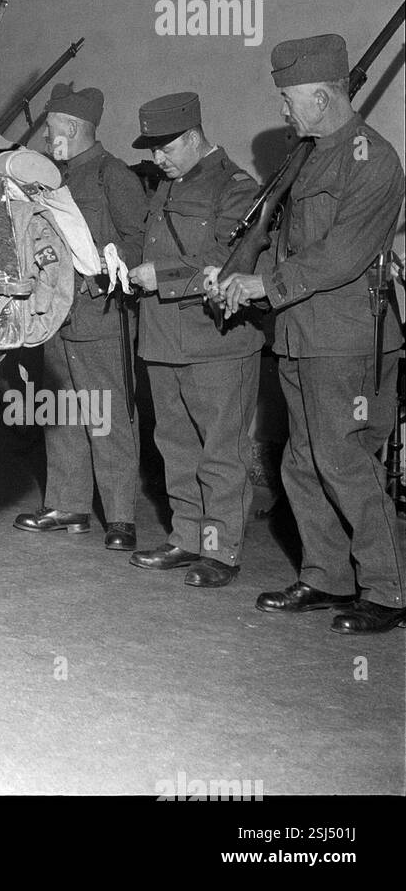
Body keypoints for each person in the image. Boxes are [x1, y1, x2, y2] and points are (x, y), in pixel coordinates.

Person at [211, 33, 405, 634]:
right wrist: (245, 276)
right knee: (300, 462)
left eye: (290, 98)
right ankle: (325, 576)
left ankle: (387, 590)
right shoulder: (310, 153)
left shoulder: (372, 159)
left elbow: (339, 255)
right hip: (299, 333)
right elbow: (287, 240)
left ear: (323, 96)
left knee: (344, 459)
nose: (283, 110)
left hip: (346, 336)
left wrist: (263, 287)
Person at [127, 92, 263, 587]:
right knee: (176, 446)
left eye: (164, 148)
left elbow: (231, 262)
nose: (156, 159)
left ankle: (218, 549)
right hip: (163, 339)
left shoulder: (236, 186)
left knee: (220, 452)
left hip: (216, 343)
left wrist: (158, 278)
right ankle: (186, 536)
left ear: (191, 137)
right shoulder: (167, 184)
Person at [13, 84, 146, 549]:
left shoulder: (115, 177)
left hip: (100, 315)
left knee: (107, 414)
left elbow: (138, 239)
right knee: (62, 411)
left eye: (51, 131)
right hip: (57, 314)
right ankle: (68, 505)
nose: (47, 139)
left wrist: (106, 266)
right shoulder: (53, 178)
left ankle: (121, 517)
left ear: (71, 128)